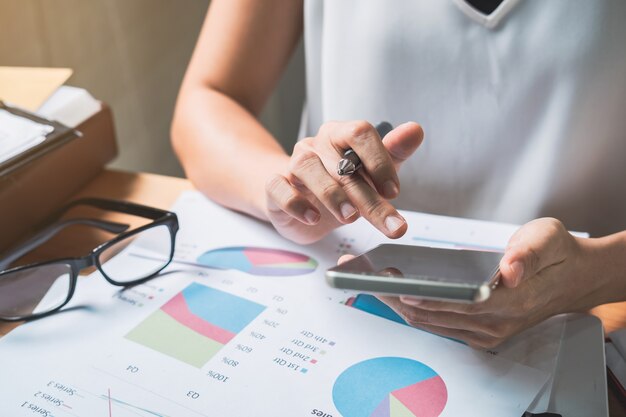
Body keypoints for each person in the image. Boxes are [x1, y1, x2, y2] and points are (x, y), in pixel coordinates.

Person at [171, 0, 626, 348]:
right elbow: (209, 99)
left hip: (582, 323)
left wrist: (600, 272)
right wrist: (287, 191)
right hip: (346, 311)